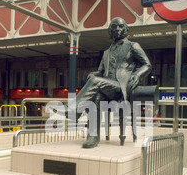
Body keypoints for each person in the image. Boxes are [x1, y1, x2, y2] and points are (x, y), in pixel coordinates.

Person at [51, 17, 152, 148]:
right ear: (110, 31)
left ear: (127, 29)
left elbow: (147, 65)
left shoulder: (133, 46)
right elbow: (100, 72)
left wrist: (137, 74)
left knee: (94, 82)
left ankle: (73, 111)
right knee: (96, 98)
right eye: (113, 27)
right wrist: (94, 74)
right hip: (107, 88)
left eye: (120, 26)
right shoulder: (106, 53)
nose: (117, 29)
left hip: (121, 88)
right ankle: (93, 136)